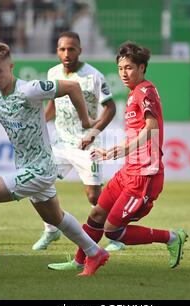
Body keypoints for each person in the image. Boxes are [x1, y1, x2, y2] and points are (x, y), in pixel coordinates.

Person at [0, 42, 109, 276]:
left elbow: (73, 87)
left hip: (40, 169)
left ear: (11, 67)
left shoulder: (30, 89)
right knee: (55, 217)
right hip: (26, 166)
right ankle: (95, 252)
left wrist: (86, 121)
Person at [47, 42, 188, 272]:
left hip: (145, 175)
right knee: (96, 214)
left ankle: (172, 238)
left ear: (142, 68)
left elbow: (151, 128)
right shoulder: (134, 93)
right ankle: (79, 260)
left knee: (113, 231)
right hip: (128, 171)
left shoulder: (146, 91)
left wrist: (119, 150)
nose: (124, 73)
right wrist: (115, 151)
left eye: (129, 67)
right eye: (121, 68)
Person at [32, 31, 125, 252]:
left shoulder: (93, 76)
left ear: (80, 50)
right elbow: (53, 106)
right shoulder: (53, 73)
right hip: (61, 144)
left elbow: (110, 108)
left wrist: (92, 133)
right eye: (62, 49)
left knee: (94, 195)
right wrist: (39, 124)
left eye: (71, 49)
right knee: (37, 182)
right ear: (57, 51)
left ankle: (116, 235)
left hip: (88, 145)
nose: (67, 53)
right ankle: (50, 230)